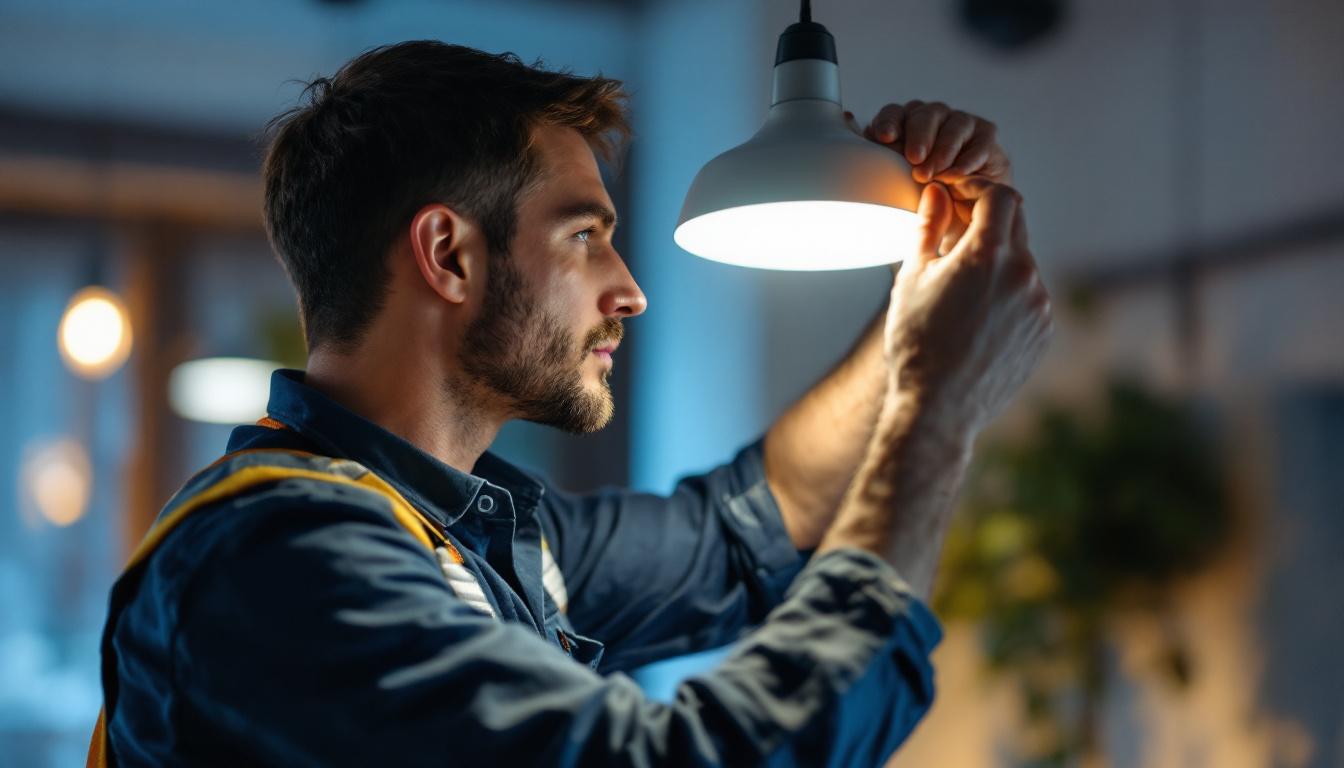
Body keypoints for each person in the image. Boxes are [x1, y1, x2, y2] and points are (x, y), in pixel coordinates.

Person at [91, 40, 1052, 766]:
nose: (629, 289)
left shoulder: (474, 534)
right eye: (585, 235)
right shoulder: (279, 560)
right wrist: (937, 408)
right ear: (450, 255)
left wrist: (917, 318)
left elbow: (741, 533)